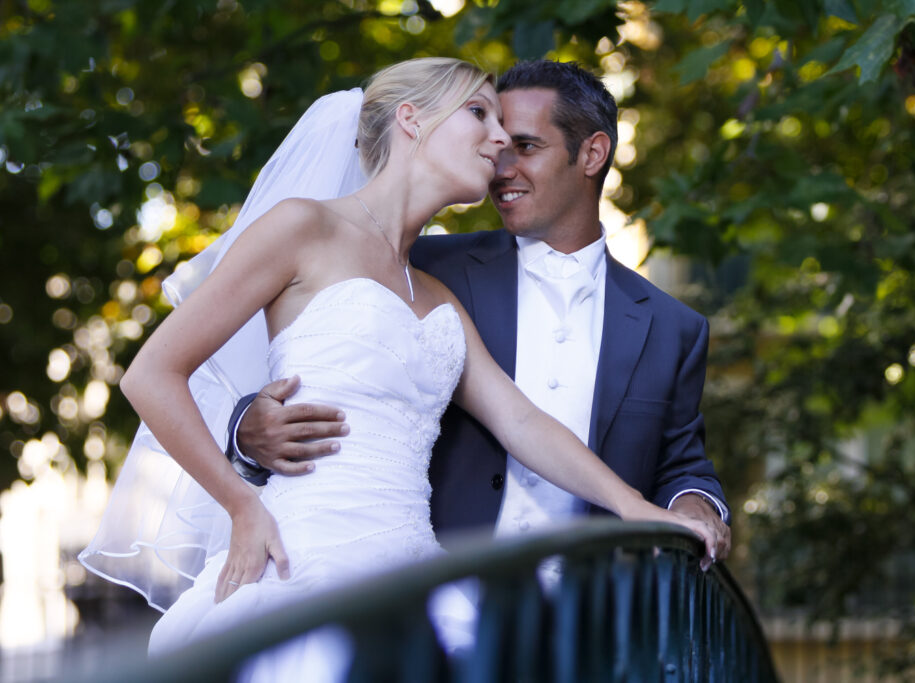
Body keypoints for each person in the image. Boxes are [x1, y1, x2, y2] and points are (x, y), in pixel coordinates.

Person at [83, 57, 699, 666]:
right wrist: (242, 503)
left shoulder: (436, 295)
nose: (500, 138)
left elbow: (523, 424)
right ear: (411, 119)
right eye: (479, 113)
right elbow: (151, 374)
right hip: (301, 556)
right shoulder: (305, 227)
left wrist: (633, 506)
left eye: (511, 131)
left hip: (414, 573)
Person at [230, 60, 732, 569]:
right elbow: (315, 362)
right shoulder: (419, 266)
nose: (500, 164)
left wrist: (693, 512)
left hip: (588, 614)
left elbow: (681, 466)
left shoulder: (674, 329)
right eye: (492, 138)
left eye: (526, 146)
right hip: (429, 582)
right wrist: (246, 431)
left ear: (592, 154)